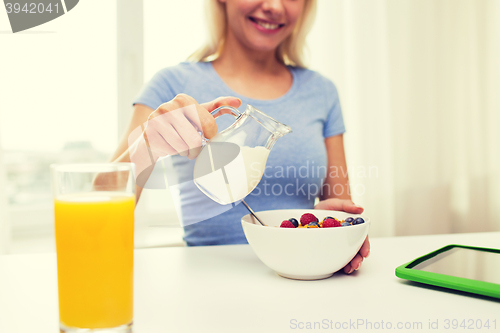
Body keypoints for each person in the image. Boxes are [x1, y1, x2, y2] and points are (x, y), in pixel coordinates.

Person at [111, 0, 370, 274]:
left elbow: (340, 203)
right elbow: (95, 204)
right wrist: (146, 145)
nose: (275, 6)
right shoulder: (172, 83)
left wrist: (332, 225)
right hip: (208, 284)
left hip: (300, 276)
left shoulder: (322, 91)